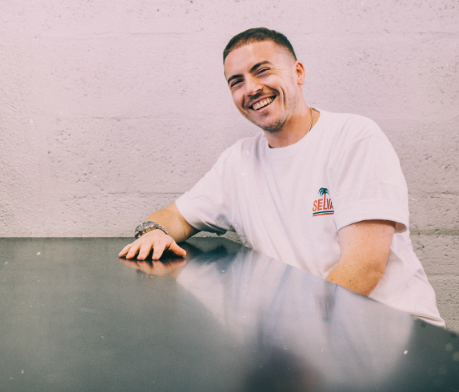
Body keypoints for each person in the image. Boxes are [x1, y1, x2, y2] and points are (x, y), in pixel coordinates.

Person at [119, 27, 443, 326]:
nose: (251, 88)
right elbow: (176, 216)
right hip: (307, 340)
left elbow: (363, 269)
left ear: (298, 73)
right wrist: (154, 231)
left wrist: (291, 338)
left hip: (390, 331)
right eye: (236, 82)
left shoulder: (354, 137)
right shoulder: (238, 161)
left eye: (262, 71)